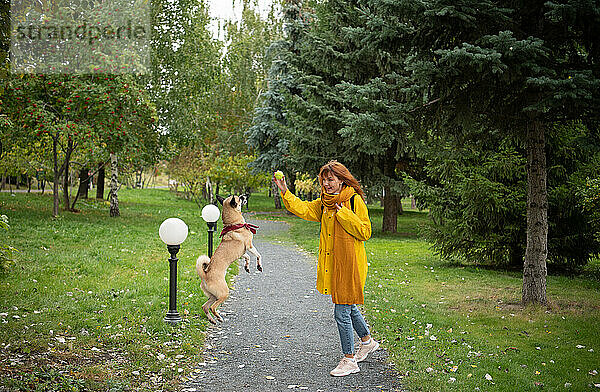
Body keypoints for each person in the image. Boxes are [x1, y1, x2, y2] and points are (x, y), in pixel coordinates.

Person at [273, 160, 379, 377]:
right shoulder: (324, 203)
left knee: (341, 310)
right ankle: (367, 342)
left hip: (350, 265)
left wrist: (344, 214)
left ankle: (349, 359)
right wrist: (285, 191)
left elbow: (365, 231)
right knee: (348, 307)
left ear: (342, 180)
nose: (327, 184)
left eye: (331, 179)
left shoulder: (353, 200)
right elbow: (303, 208)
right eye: (323, 180)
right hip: (334, 264)